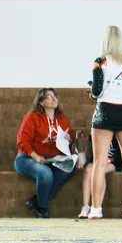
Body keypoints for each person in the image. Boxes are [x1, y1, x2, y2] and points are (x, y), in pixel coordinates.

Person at [88, 26, 122, 220]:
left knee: (99, 163)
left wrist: (90, 90)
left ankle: (95, 210)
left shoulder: (100, 61)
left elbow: (96, 92)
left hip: (105, 111)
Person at [15, 88, 76, 218]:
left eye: (55, 96)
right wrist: (35, 156)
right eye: (49, 97)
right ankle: (42, 209)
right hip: (27, 158)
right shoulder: (32, 117)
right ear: (41, 102)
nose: (54, 99)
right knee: (45, 173)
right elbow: (22, 141)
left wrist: (69, 139)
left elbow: (71, 137)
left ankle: (36, 200)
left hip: (52, 159)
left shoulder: (62, 119)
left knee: (70, 166)